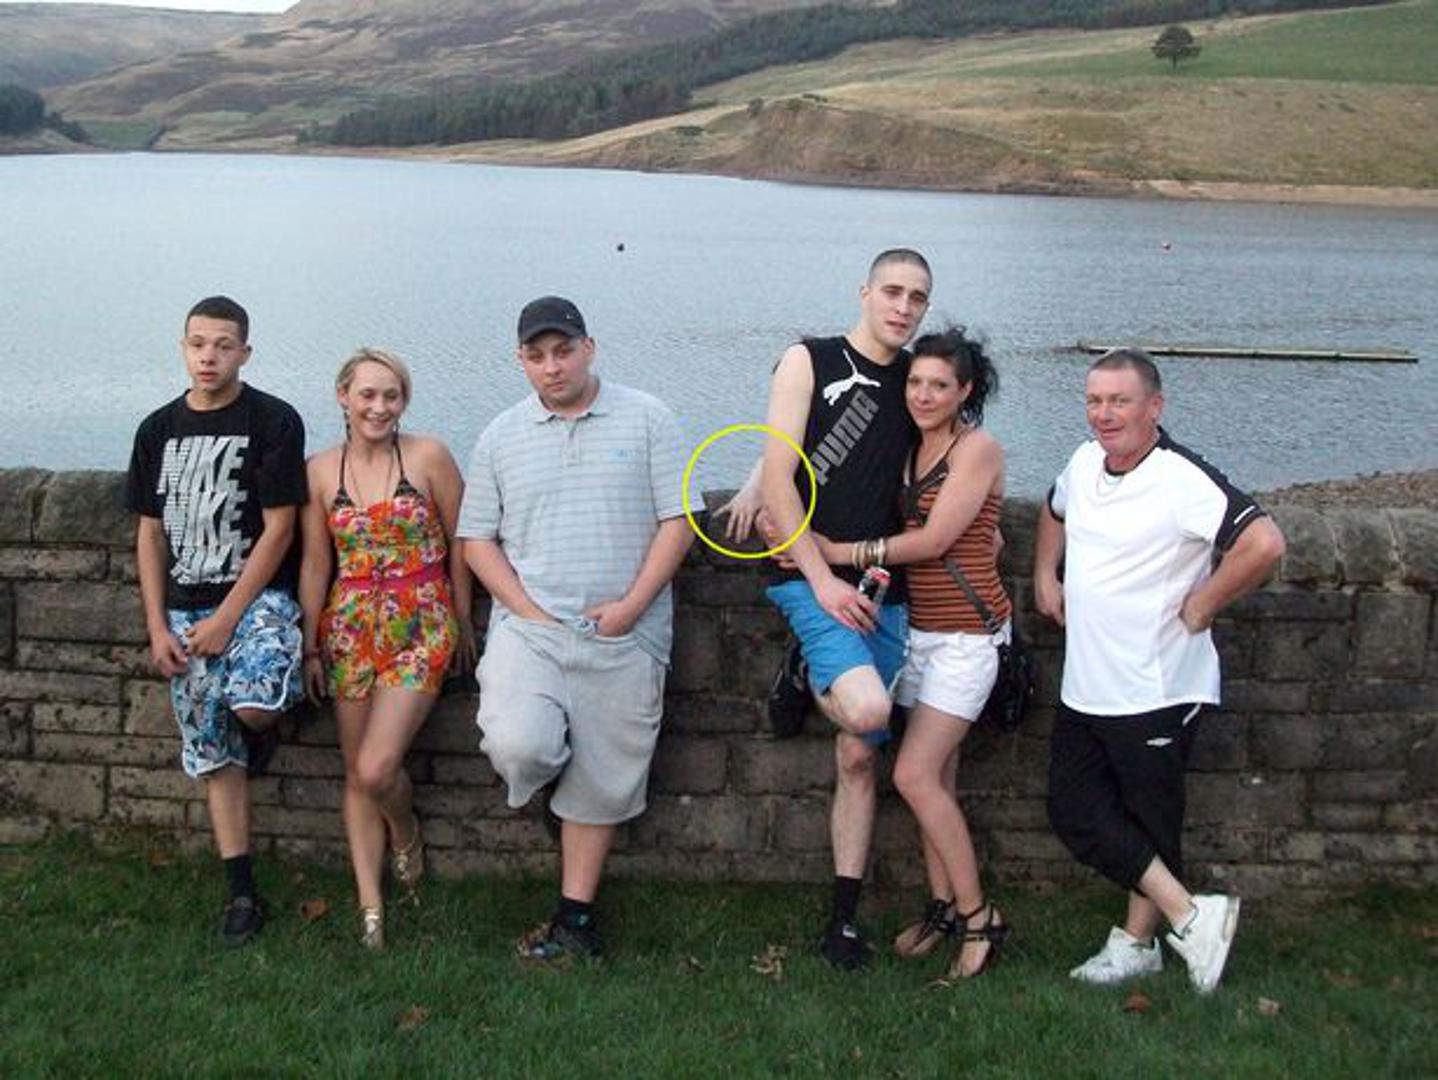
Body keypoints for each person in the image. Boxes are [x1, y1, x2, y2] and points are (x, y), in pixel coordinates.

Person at [1033, 347, 1285, 994]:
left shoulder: (1182, 478)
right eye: (1094, 401)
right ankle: (1193, 917)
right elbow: (1054, 510)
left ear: (1154, 405)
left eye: (1119, 401)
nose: (1104, 414)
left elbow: (1264, 543)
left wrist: (1204, 603)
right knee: (1074, 811)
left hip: (1157, 687)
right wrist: (1044, 575)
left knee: (1149, 822)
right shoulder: (1083, 461)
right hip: (1088, 684)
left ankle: (1140, 943)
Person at [458, 296, 692, 962]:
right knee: (520, 745)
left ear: (589, 348)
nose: (552, 366)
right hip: (529, 632)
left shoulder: (648, 417)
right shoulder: (500, 435)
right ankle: (553, 791)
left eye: (563, 351)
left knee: (603, 784)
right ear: (521, 361)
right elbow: (476, 540)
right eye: (537, 356)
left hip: (624, 632)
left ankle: (575, 919)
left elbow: (679, 521)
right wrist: (526, 609)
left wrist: (632, 606)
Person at [808, 326, 1011, 979]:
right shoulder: (911, 447)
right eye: (916, 382)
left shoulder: (976, 449)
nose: (923, 395)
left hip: (967, 639)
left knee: (914, 775)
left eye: (939, 386)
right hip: (920, 632)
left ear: (965, 391)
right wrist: (764, 491)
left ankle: (981, 918)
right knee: (939, 780)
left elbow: (934, 541)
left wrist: (836, 553)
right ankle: (943, 908)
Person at [758, 249, 931, 969]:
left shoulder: (920, 380)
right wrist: (821, 579)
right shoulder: (809, 359)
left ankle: (843, 921)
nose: (903, 307)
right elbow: (780, 471)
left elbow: (949, 460)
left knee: (861, 757)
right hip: (808, 574)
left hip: (885, 582)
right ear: (865, 292)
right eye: (892, 291)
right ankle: (807, 671)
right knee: (866, 713)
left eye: (917, 297)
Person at [124, 295, 307, 947]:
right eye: (199, 343)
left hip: (255, 601)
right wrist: (157, 626)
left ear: (244, 353)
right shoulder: (156, 430)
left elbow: (281, 529)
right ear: (183, 348)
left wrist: (230, 617)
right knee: (211, 754)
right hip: (184, 607)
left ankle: (265, 724)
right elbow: (149, 534)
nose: (210, 356)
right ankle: (242, 893)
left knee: (253, 705)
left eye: (224, 345)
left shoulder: (273, 420)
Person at [299, 348, 474, 950]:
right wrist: (310, 644)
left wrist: (463, 615)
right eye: (368, 395)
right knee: (356, 772)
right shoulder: (320, 471)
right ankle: (371, 907)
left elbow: (463, 540)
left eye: (391, 396)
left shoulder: (429, 457)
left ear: (404, 401)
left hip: (420, 620)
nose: (379, 407)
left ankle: (405, 833)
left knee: (376, 768)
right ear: (343, 397)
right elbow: (316, 562)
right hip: (349, 626)